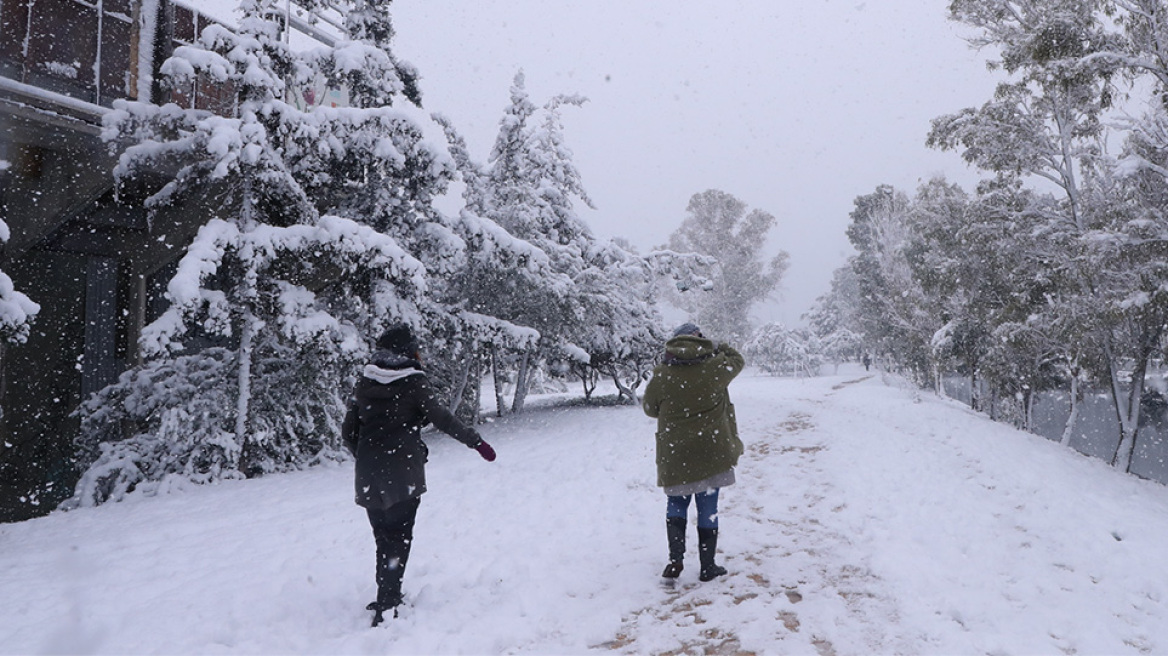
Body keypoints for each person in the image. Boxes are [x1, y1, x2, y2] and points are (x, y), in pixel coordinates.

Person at [342, 323, 497, 627]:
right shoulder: (414, 383)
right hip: (403, 473)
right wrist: (476, 442)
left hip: (369, 473)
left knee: (383, 535)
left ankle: (386, 593)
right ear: (407, 350)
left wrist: (368, 456)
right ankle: (387, 603)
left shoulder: (364, 381)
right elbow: (443, 419)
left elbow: (348, 432)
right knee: (399, 536)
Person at [642, 322, 744, 582]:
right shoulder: (715, 367)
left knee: (677, 502)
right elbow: (737, 360)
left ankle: (675, 560)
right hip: (711, 450)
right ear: (700, 340)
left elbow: (651, 408)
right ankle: (708, 566)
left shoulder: (663, 373)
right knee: (708, 506)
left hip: (677, 453)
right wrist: (719, 345)